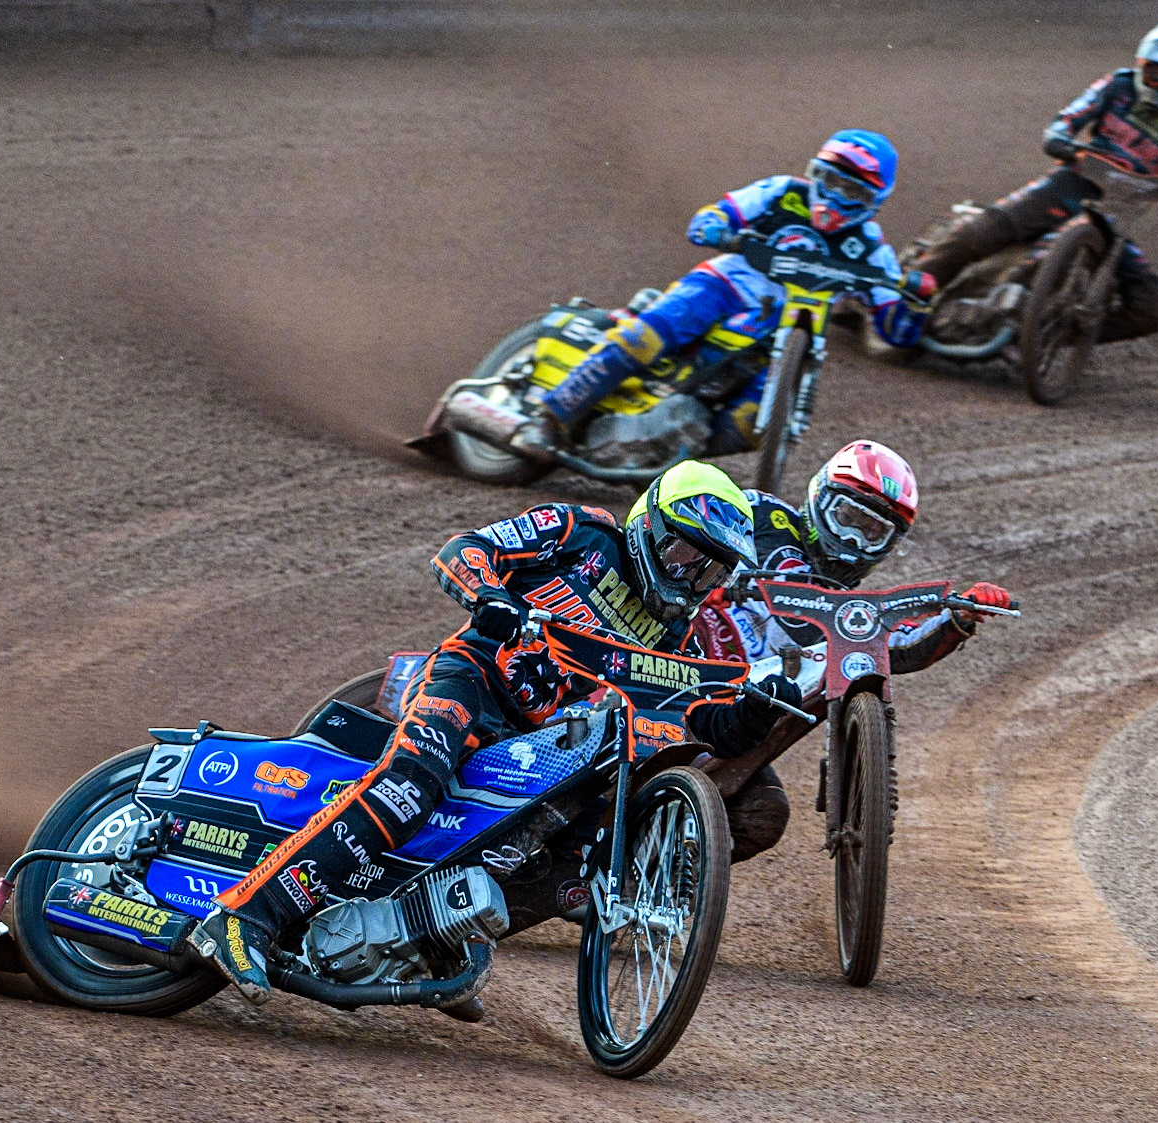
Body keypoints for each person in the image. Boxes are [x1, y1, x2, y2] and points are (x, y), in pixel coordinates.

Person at [186, 460, 801, 1004]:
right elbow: (464, 548)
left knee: (541, 862)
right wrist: (488, 595)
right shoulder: (582, 529)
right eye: (685, 554)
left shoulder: (676, 643)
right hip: (474, 679)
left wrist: (749, 716)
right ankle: (246, 915)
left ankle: (424, 941)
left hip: (541, 744)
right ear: (649, 527)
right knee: (409, 787)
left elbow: (692, 721)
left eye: (710, 569)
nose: (692, 577)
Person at [510, 129, 935, 460]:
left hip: (786, 331)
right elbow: (713, 217)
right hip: (726, 284)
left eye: (854, 192)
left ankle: (667, 455)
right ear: (814, 173)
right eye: (831, 181)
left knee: (753, 424)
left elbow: (894, 326)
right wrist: (716, 225)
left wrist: (915, 301)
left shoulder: (871, 248)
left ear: (874, 201)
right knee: (646, 338)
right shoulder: (781, 192)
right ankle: (549, 419)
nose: (836, 198)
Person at [694, 439, 1013, 861]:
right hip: (681, 675)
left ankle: (659, 890)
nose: (854, 540)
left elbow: (896, 647)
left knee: (762, 815)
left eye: (873, 532)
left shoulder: (849, 609)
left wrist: (959, 618)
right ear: (821, 498)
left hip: (745, 718)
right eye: (847, 518)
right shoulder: (763, 515)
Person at [912, 21, 1158, 342]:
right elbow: (1072, 115)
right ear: (1141, 65)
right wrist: (1059, 136)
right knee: (982, 231)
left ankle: (1047, 334)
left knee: (1151, 308)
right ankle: (907, 294)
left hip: (1115, 218)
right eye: (1154, 72)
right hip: (1071, 184)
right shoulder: (1118, 86)